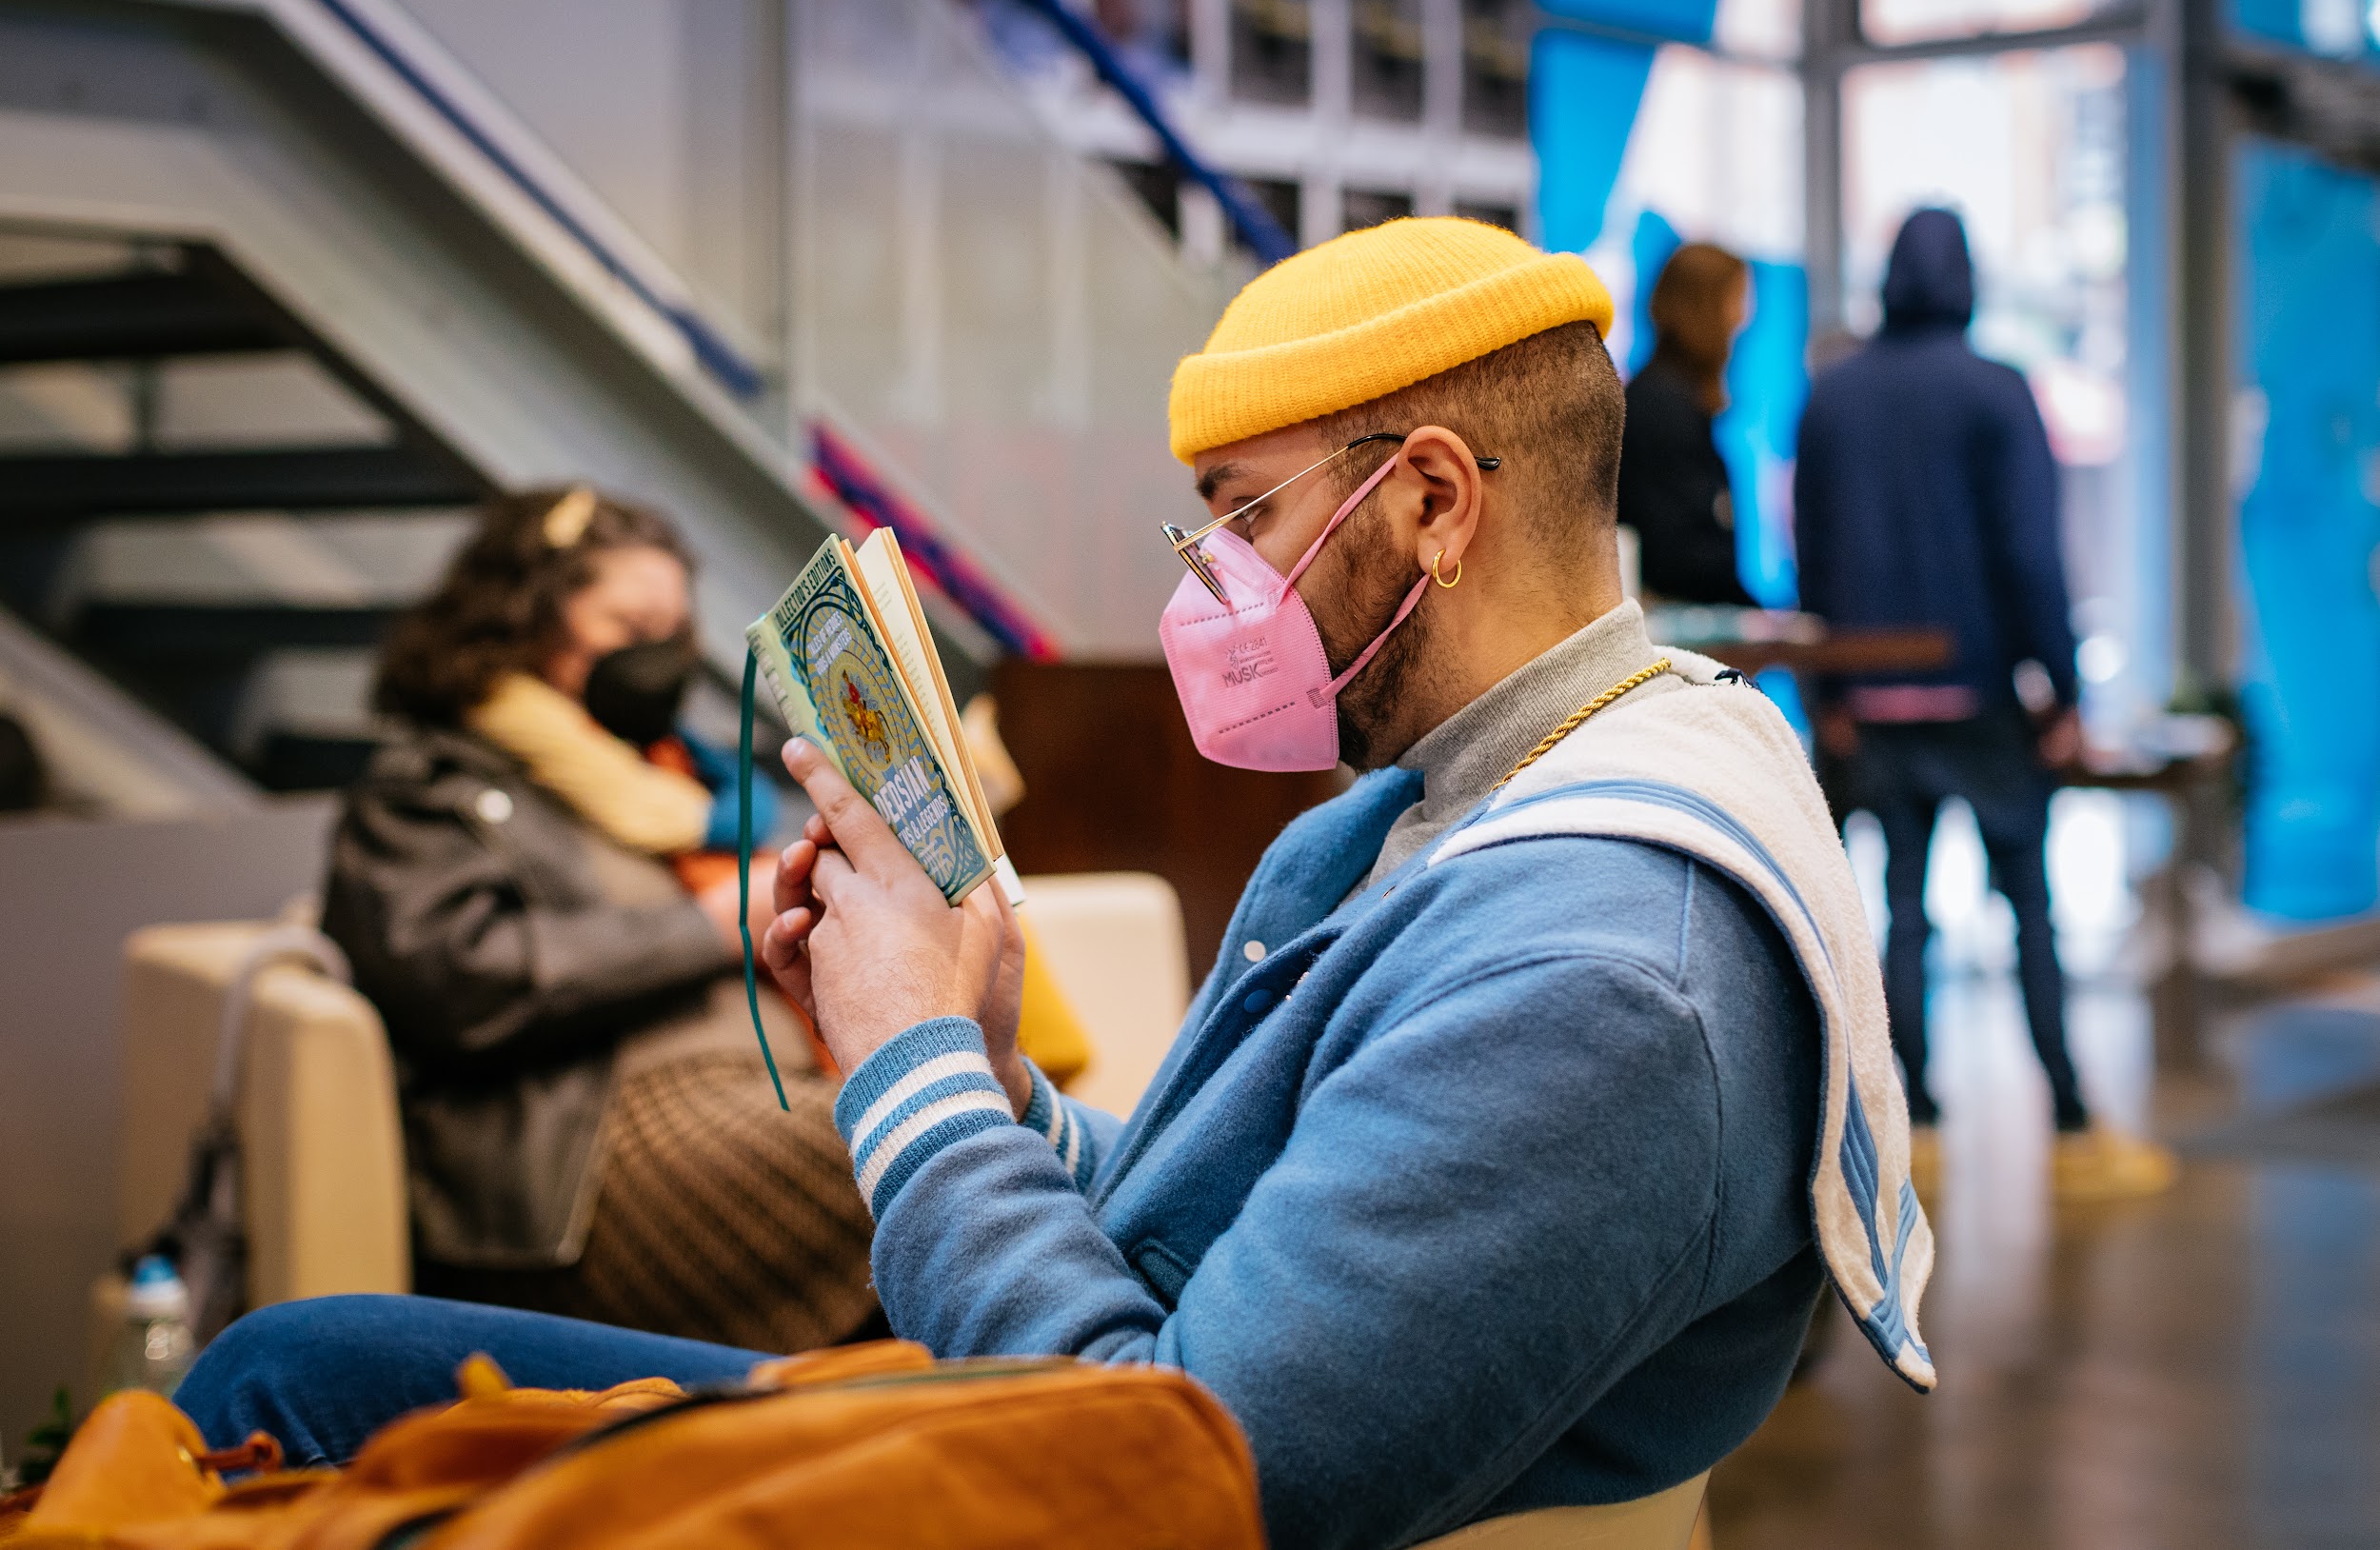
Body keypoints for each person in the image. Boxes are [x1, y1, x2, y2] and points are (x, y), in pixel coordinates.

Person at [180, 221, 1933, 1549]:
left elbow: (1162, 1465)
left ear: (1436, 504)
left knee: (281, 1405)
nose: (1210, 582)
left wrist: (909, 1076)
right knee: (308, 1364)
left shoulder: (1608, 975)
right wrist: (1002, 1076)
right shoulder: (1424, 812)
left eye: (1243, 516)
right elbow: (1214, 1227)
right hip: (1044, 1410)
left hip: (1072, 1473)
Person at [317, 487, 881, 1353]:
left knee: (959, 1126)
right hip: (592, 1155)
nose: (654, 655)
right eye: (628, 624)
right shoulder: (427, 790)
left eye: (674, 630)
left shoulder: (679, 779)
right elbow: (458, 979)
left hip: (762, 1094)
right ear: (521, 622)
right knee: (913, 1152)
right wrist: (715, 918)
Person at [1793, 207, 2174, 1202]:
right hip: (1983, 699)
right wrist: (2062, 692)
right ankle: (2073, 1125)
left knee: (1903, 914)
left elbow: (1812, 555)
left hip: (1870, 702)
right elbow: (2028, 553)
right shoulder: (1997, 391)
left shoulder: (1830, 400)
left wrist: (1829, 688)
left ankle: (1912, 1122)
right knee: (2028, 913)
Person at [1616, 242, 1758, 606]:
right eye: (1736, 301)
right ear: (1707, 308)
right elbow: (1679, 553)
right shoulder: (1663, 409)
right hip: (1671, 622)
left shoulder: (1667, 401)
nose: (1743, 319)